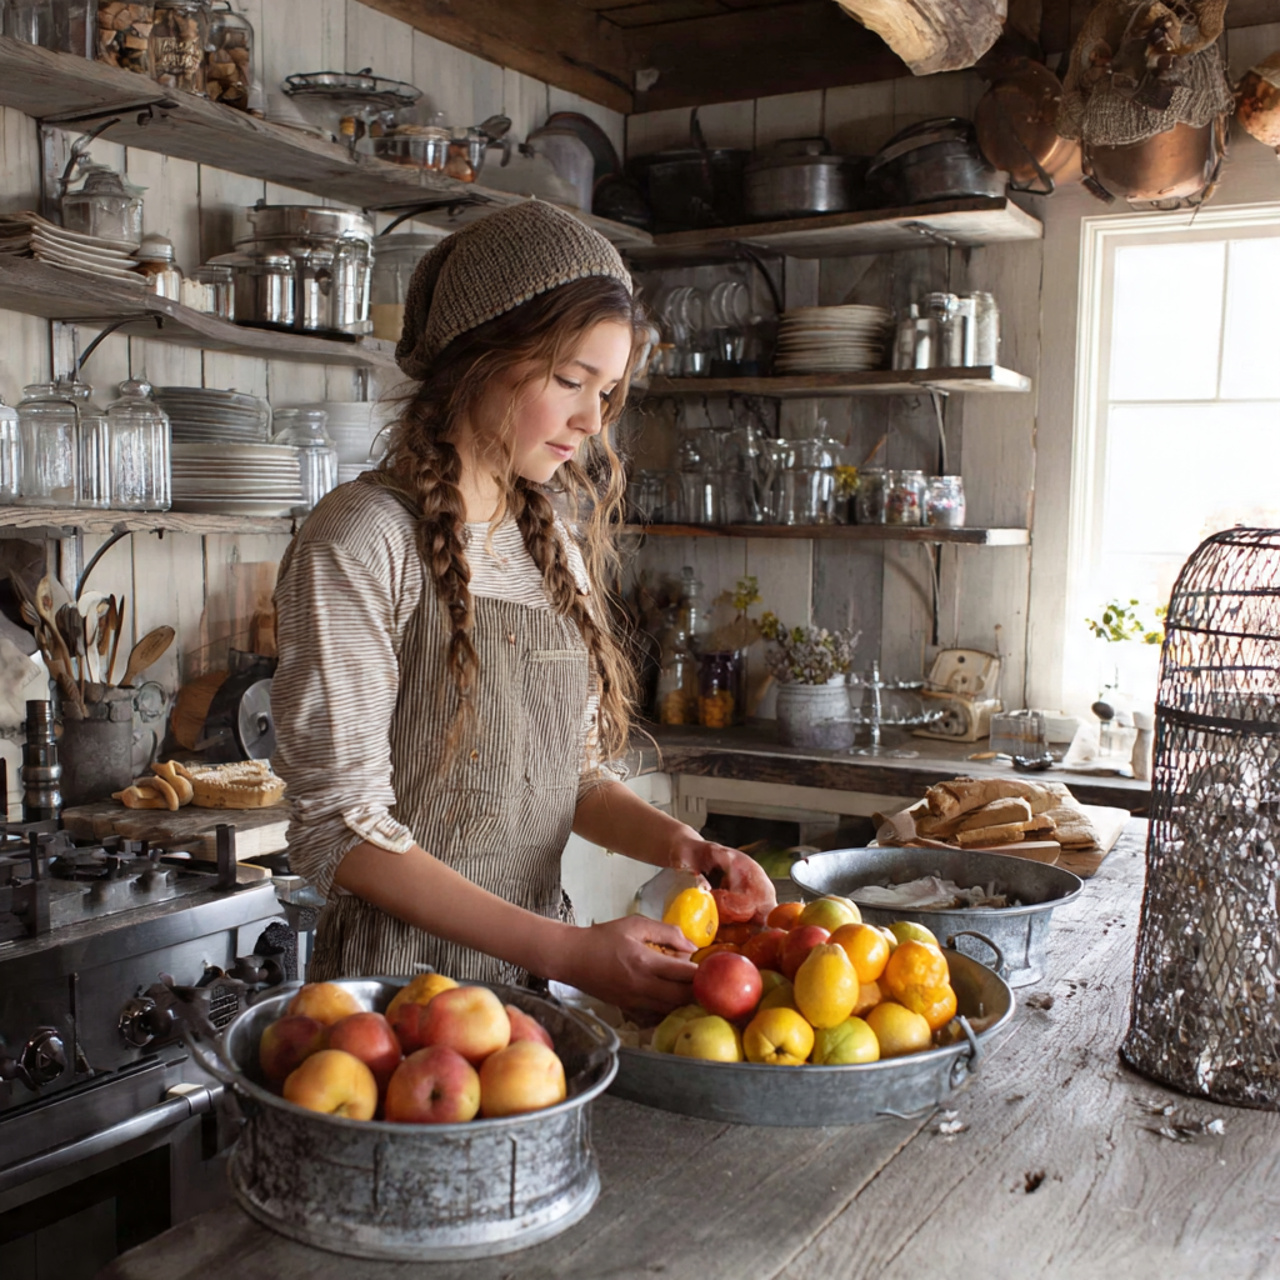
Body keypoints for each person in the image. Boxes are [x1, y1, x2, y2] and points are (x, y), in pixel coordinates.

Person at [272, 202, 775, 1013]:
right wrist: (569, 951)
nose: (592, 420)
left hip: (532, 1005)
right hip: (394, 1010)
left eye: (607, 392)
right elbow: (341, 831)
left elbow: (567, 778)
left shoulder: (550, 550)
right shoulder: (364, 538)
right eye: (571, 380)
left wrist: (682, 847)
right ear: (479, 358)